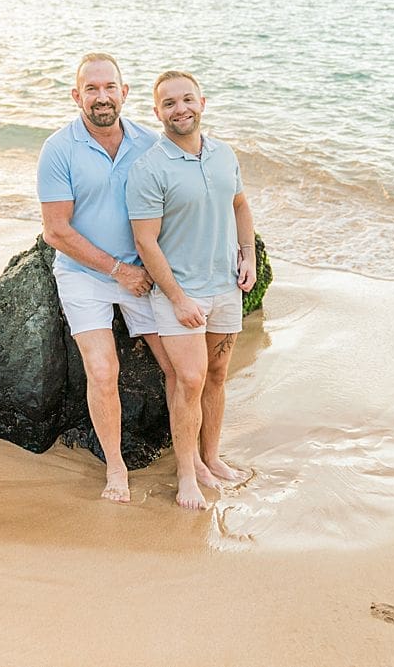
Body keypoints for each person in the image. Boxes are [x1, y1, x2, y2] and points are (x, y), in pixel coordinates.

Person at [37, 53, 176, 504]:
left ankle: (191, 458)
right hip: (84, 275)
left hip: (143, 272)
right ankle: (116, 468)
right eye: (91, 89)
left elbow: (179, 203)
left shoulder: (150, 143)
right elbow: (56, 231)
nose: (102, 97)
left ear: (124, 92)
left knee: (179, 366)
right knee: (102, 370)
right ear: (76, 96)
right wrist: (119, 272)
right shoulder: (59, 148)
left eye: (109, 87)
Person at [127, 70, 256, 510]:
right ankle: (187, 474)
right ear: (157, 112)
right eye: (169, 103)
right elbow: (145, 241)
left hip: (225, 287)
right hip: (179, 293)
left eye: (187, 99)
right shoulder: (148, 168)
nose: (180, 109)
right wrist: (178, 298)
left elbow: (240, 205)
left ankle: (211, 458)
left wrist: (248, 257)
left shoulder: (224, 154)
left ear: (202, 102)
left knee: (217, 375)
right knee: (189, 380)